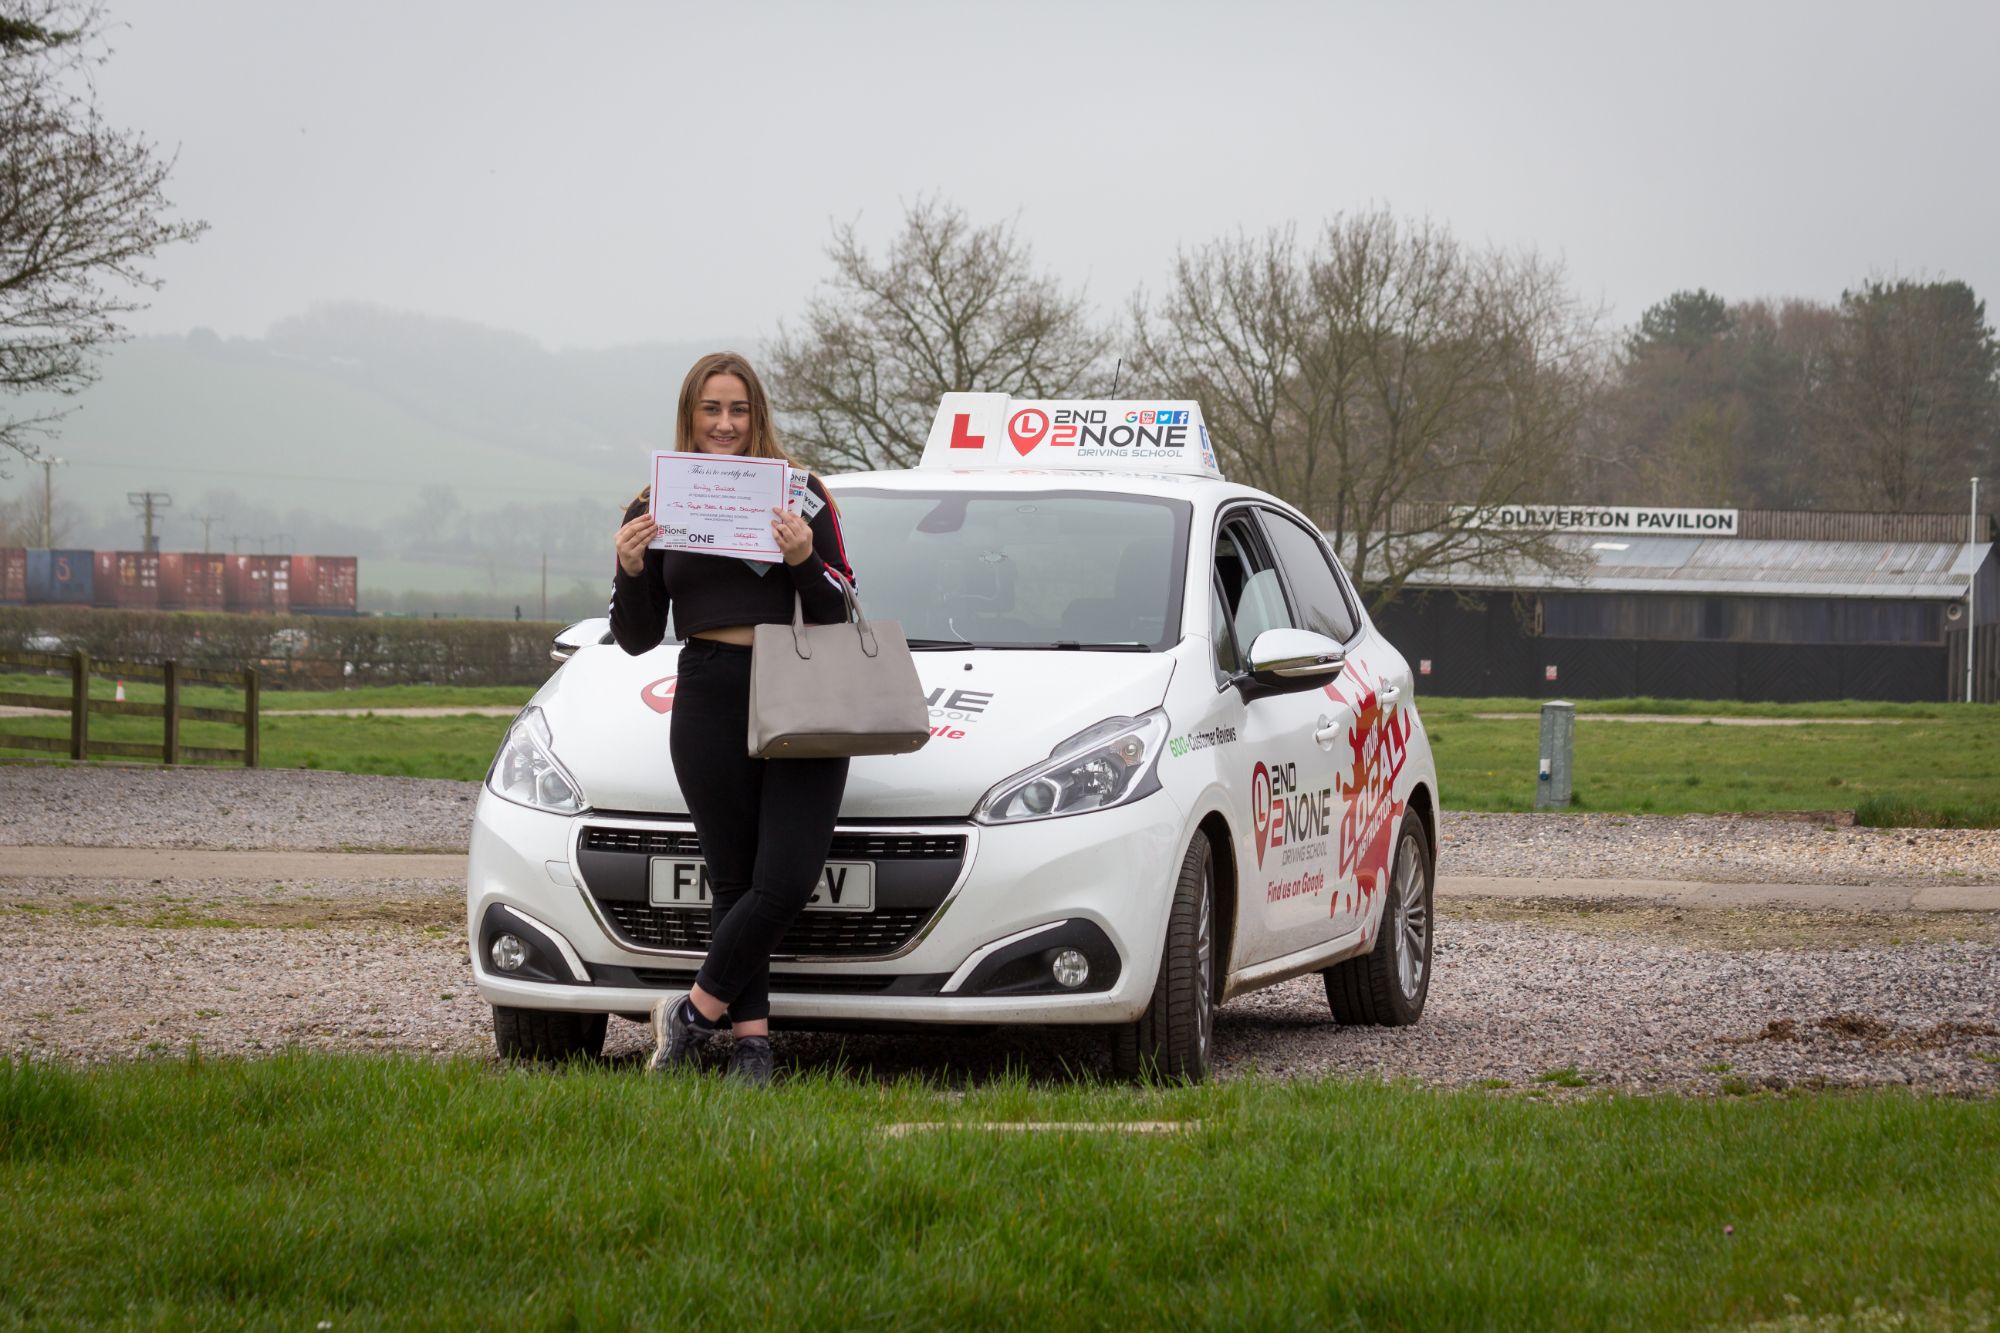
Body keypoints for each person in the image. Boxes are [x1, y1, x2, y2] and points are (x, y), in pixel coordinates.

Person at [608, 352, 854, 1086]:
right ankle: (752, 1045)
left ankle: (689, 1013)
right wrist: (628, 570)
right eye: (711, 410)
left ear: (758, 415)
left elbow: (841, 609)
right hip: (709, 688)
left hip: (803, 685)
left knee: (784, 879)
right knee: (734, 878)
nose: (724, 423)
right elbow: (636, 636)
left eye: (738, 410)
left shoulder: (804, 493)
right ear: (690, 417)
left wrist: (805, 560)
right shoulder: (655, 503)